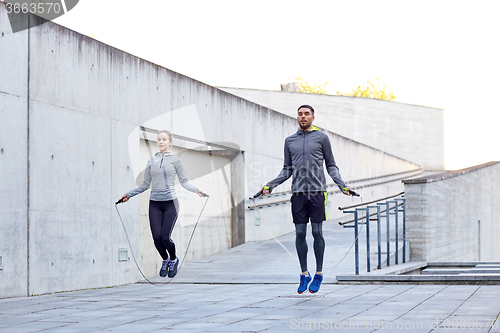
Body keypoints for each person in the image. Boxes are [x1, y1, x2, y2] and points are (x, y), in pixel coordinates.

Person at [260, 105, 353, 294]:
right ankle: (304, 274)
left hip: (318, 192)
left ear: (313, 117)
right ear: (297, 117)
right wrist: (270, 185)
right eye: (300, 114)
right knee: (300, 233)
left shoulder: (322, 138)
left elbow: (331, 165)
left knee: (317, 233)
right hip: (298, 194)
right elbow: (287, 169)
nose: (303, 117)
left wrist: (341, 185)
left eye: (306, 114)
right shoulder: (290, 141)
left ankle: (318, 273)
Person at [118, 130, 206, 278]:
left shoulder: (176, 161)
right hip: (155, 204)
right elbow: (145, 185)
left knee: (165, 237)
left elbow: (184, 182)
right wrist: (128, 195)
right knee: (156, 238)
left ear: (170, 142)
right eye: (159, 139)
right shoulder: (151, 162)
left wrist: (197, 190)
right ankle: (165, 260)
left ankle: (173, 259)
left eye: (164, 139)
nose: (160, 142)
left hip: (171, 203)